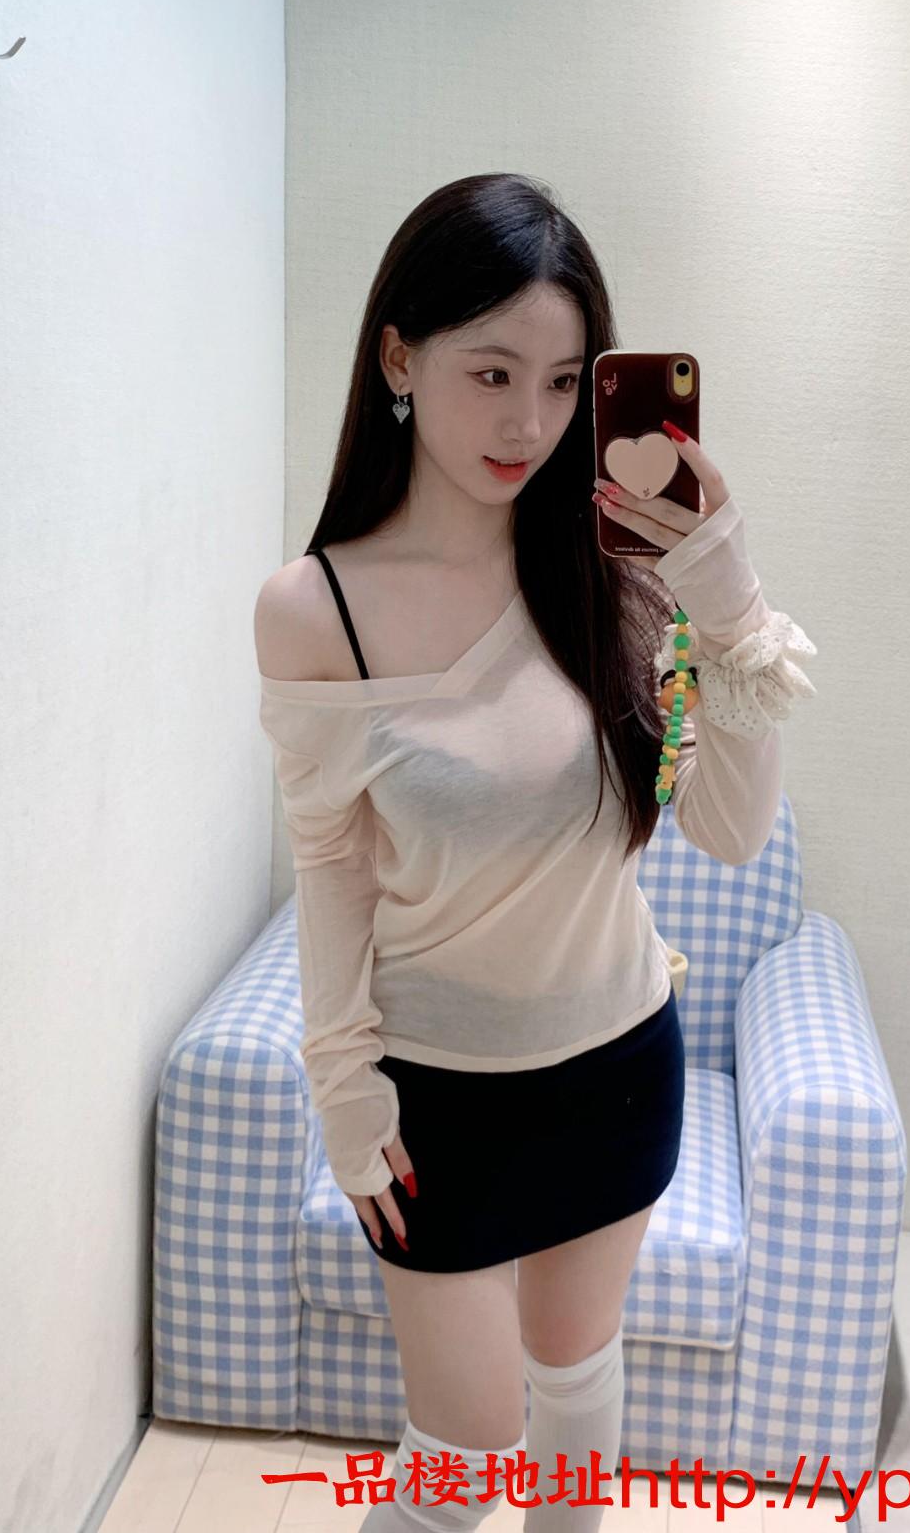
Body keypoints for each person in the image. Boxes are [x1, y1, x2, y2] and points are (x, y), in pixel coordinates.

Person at [254, 173, 817, 1533]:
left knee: (576, 1384)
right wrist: (343, 1090)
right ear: (400, 358)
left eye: (565, 383)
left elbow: (730, 829)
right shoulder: (316, 610)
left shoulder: (615, 582)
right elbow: (331, 866)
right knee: (462, 1462)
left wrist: (727, 598)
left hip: (617, 1064)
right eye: (492, 372)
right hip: (434, 1103)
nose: (530, 423)